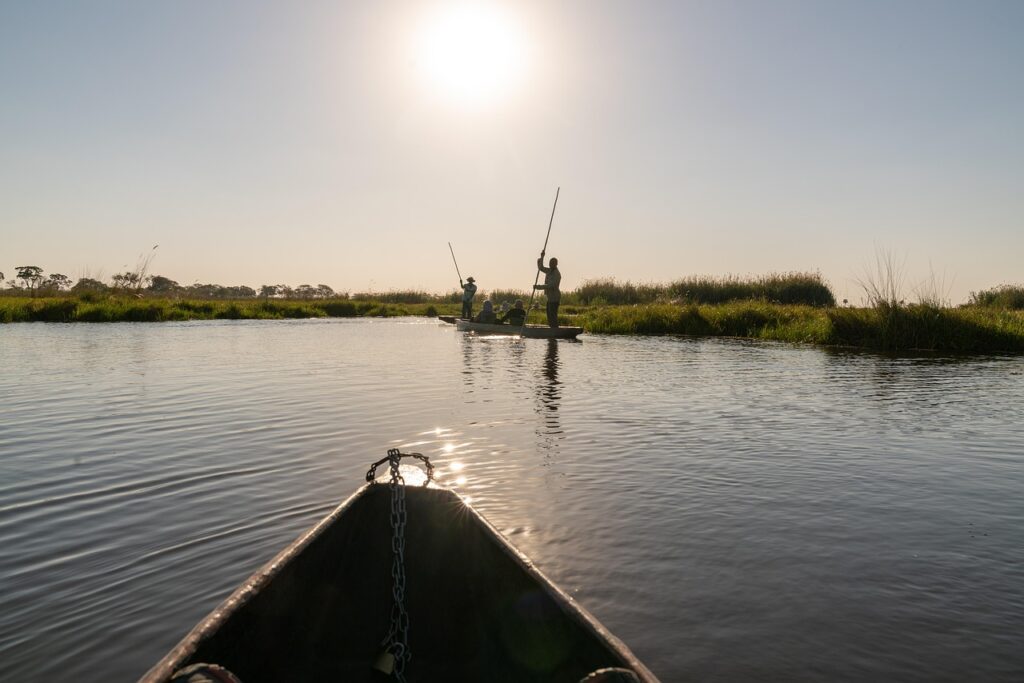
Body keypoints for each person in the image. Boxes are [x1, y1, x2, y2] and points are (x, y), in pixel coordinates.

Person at [534, 253, 561, 327]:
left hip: (555, 297)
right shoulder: (549, 271)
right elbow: (541, 268)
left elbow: (550, 286)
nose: (550, 264)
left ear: (556, 264)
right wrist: (542, 257)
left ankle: (555, 329)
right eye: (550, 263)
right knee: (549, 315)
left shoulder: (557, 274)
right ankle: (552, 330)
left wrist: (538, 287)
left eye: (552, 263)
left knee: (552, 315)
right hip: (550, 298)